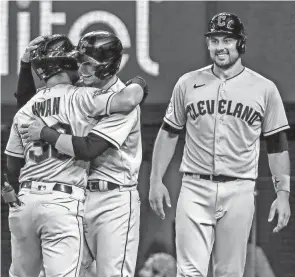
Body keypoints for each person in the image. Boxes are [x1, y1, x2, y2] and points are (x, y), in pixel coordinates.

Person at [149, 12, 291, 277]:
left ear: (240, 43)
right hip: (194, 186)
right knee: (189, 272)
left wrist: (282, 194)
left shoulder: (264, 88)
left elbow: (277, 146)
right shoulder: (187, 83)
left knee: (229, 272)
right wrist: (155, 180)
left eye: (227, 40)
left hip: (239, 189)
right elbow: (168, 132)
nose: (220, 47)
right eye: (214, 40)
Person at [5, 34, 146, 277]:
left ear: (106, 66)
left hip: (112, 197)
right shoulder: (79, 92)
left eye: (88, 63)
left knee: (112, 274)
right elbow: (30, 104)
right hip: (74, 195)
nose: (81, 69)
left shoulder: (123, 100)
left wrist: (47, 134)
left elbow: (89, 149)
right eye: (79, 62)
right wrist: (25, 65)